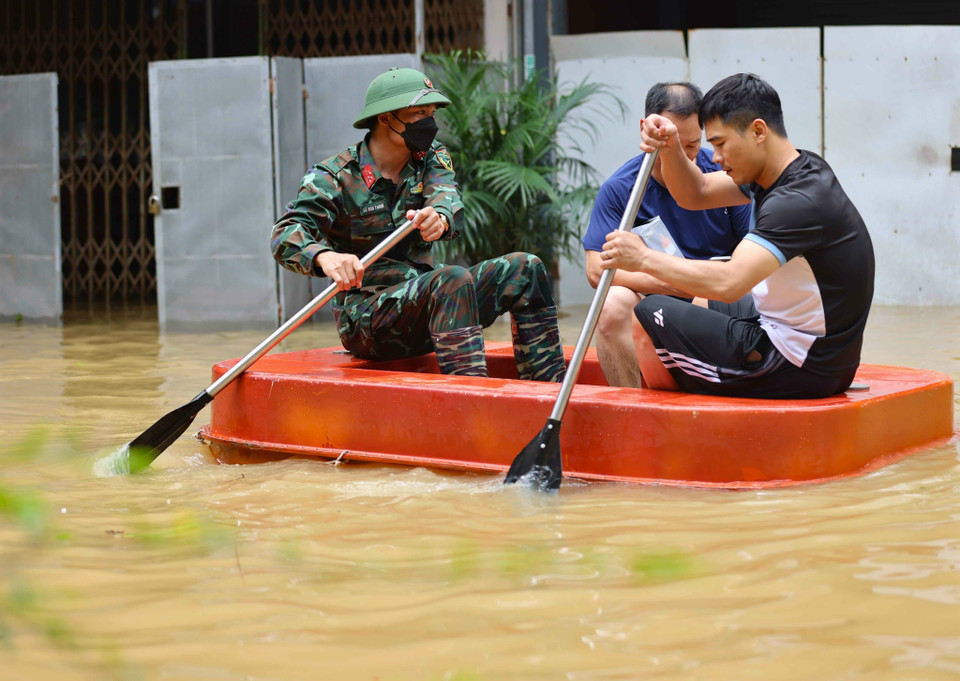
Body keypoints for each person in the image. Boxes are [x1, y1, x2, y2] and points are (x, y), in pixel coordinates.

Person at [271, 67, 565, 382]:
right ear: (385, 118)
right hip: (370, 320)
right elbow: (286, 234)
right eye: (419, 112)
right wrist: (325, 257)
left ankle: (549, 392)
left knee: (526, 267)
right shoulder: (334, 177)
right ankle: (473, 402)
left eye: (432, 112)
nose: (430, 121)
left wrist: (438, 217)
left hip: (435, 307)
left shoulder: (431, 158)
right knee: (451, 279)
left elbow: (445, 199)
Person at [601, 73, 874, 399]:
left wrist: (643, 258)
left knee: (649, 314)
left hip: (801, 365)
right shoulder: (793, 169)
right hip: (818, 350)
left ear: (758, 131)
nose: (714, 157)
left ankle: (664, 425)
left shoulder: (796, 203)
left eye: (719, 143)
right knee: (699, 299)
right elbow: (697, 192)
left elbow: (729, 284)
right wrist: (671, 147)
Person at [582, 81, 752, 387]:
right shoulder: (622, 189)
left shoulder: (724, 174)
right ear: (646, 128)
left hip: (716, 293)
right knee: (612, 302)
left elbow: (754, 259)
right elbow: (596, 269)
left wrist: (694, 286)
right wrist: (667, 284)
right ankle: (633, 410)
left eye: (692, 144)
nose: (685, 157)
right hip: (655, 296)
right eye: (670, 142)